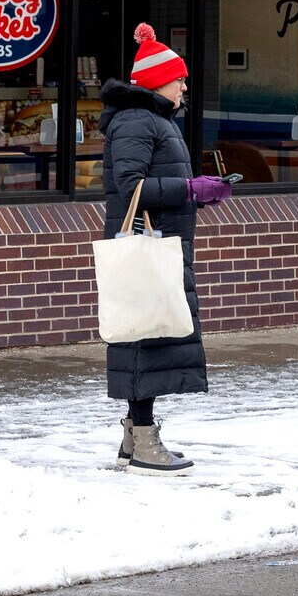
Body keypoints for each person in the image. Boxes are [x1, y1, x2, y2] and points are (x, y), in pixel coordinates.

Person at [100, 23, 231, 475]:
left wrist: (197, 194)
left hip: (158, 244)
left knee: (151, 336)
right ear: (157, 81)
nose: (184, 85)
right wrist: (191, 189)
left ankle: (134, 437)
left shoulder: (153, 121)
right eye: (178, 79)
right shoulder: (138, 120)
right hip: (145, 248)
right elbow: (131, 185)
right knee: (144, 337)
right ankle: (143, 441)